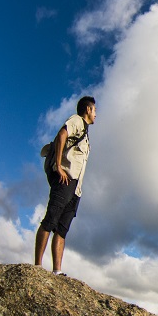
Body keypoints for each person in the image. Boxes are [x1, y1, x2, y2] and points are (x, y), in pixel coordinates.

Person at [34, 96, 96, 275]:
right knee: (50, 220)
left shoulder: (85, 132)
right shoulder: (76, 120)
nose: (96, 115)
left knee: (62, 229)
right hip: (65, 179)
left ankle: (57, 271)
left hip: (76, 187)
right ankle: (37, 267)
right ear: (88, 110)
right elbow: (62, 134)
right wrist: (59, 167)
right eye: (95, 110)